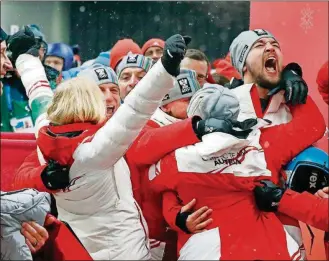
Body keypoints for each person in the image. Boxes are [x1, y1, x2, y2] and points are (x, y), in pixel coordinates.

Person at [147, 28, 325, 260]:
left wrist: (293, 84)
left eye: (275, 44)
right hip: (213, 241)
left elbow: (312, 129)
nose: (270, 47)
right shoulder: (226, 105)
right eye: (259, 45)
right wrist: (177, 218)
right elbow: (164, 186)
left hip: (280, 235)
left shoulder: (290, 101)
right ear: (243, 64)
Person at [12, 33, 192, 260]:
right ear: (90, 103)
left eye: (113, 90)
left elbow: (39, 95)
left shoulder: (47, 132)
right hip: (126, 251)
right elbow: (138, 106)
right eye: (101, 92)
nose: (108, 98)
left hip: (82, 249)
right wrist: (166, 67)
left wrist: (25, 58)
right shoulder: (100, 146)